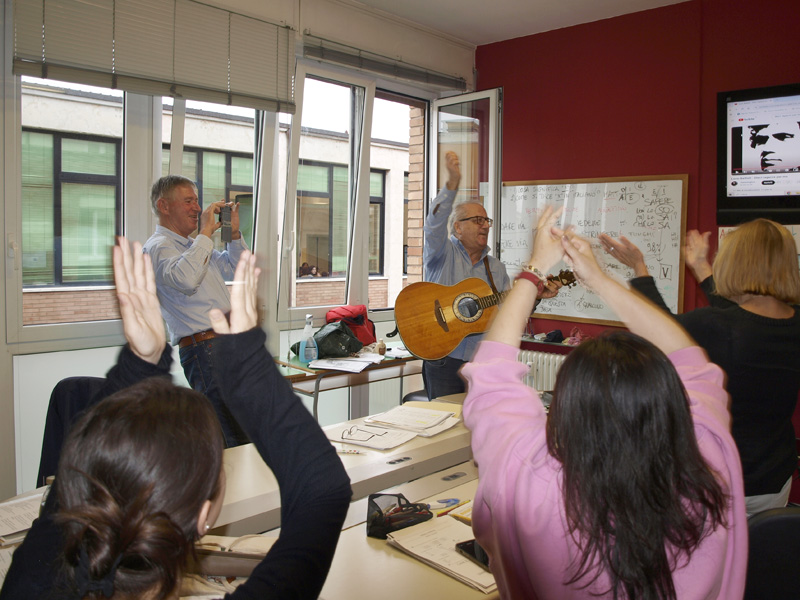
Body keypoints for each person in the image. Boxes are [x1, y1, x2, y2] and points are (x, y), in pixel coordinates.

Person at [0, 238, 352, 600]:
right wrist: (248, 366)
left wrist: (140, 361)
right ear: (204, 519)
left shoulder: (32, 572)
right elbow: (323, 489)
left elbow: (77, 482)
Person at [461, 205, 747, 599]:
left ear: (563, 411)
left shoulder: (527, 481)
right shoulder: (708, 461)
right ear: (669, 402)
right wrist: (600, 279)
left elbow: (491, 370)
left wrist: (534, 269)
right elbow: (691, 361)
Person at [600, 221, 800, 514]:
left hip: (720, 479)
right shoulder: (790, 321)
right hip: (774, 477)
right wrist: (700, 267)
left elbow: (661, 329)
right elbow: (741, 316)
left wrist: (639, 267)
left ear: (734, 264)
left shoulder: (715, 326)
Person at [422, 151, 559, 400]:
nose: (485, 225)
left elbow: (509, 313)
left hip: (482, 362)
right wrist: (451, 184)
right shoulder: (442, 254)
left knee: (479, 430)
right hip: (443, 358)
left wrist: (536, 295)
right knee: (444, 426)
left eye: (487, 220)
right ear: (458, 227)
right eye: (477, 220)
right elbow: (433, 225)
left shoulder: (495, 268)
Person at [143, 175, 249, 447]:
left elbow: (238, 269)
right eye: (188, 201)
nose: (196, 208)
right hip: (206, 351)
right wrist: (204, 234)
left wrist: (233, 235)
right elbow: (186, 280)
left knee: (246, 436)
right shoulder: (158, 248)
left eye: (197, 201)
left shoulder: (193, 246)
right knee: (232, 439)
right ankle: (234, 490)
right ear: (164, 206)